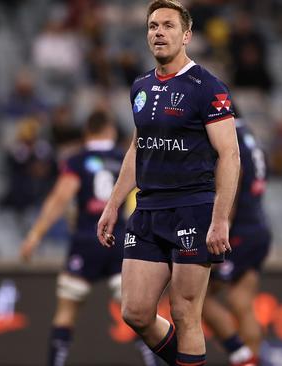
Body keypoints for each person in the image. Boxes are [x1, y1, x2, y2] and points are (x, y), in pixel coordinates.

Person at [97, 1, 240, 365]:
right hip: (147, 210)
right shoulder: (140, 86)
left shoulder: (207, 87)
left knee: (185, 314)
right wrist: (113, 205)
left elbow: (230, 155)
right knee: (136, 312)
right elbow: (137, 146)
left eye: (167, 26)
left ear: (186, 35)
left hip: (192, 209)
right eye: (152, 26)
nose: (158, 32)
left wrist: (220, 219)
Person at [19, 111, 126, 366]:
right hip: (120, 240)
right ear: (109, 130)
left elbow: (60, 198)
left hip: (87, 238)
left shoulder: (77, 160)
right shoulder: (125, 157)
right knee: (138, 314)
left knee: (66, 312)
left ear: (86, 132)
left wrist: (35, 235)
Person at [202, 117, 271, 366]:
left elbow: (235, 171)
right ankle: (250, 360)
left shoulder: (229, 133)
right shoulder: (252, 137)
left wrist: (223, 222)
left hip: (238, 230)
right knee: (241, 302)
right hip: (259, 227)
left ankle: (240, 354)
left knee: (196, 296)